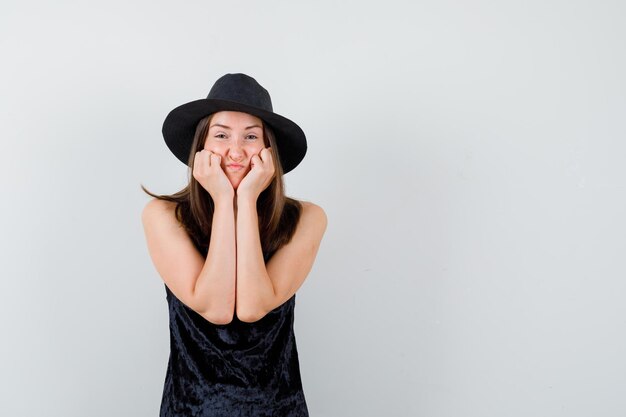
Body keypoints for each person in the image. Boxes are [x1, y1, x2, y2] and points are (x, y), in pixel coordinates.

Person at [140, 73, 327, 417]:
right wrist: (225, 199)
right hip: (189, 408)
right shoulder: (163, 215)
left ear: (269, 150)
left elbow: (253, 307)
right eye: (222, 135)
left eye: (251, 136)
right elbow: (217, 308)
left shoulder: (308, 218)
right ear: (201, 145)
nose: (236, 150)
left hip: (278, 408)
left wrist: (249, 198)